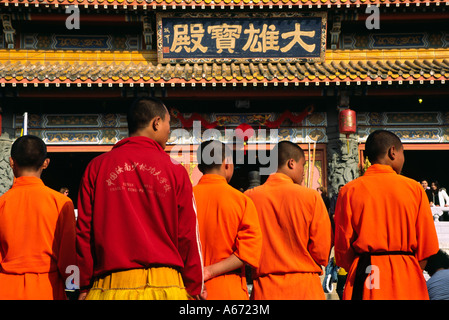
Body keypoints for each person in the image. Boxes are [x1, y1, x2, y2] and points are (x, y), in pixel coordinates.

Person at [76, 97, 204, 300]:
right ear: (156, 123)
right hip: (166, 286)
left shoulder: (97, 167)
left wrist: (83, 286)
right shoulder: (175, 170)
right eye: (168, 123)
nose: (169, 130)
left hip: (109, 286)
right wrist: (194, 286)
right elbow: (187, 235)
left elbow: (83, 231)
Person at [334, 130, 439, 300]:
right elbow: (427, 246)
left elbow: (342, 249)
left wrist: (359, 263)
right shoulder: (414, 189)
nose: (403, 159)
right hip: (406, 272)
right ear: (393, 152)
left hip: (367, 273)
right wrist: (406, 266)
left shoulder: (349, 191)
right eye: (403, 153)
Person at [244, 141, 332, 300]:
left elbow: (244, 249)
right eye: (303, 165)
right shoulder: (310, 197)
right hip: (306, 287)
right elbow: (322, 253)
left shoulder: (249, 198)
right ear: (291, 163)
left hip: (265, 288)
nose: (304, 172)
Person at [0, 135, 76, 299]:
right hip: (47, 288)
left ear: (11, 162)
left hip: (5, 289)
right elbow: (69, 257)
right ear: (45, 163)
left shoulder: (2, 204)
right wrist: (74, 289)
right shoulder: (62, 203)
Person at [193, 140, 262, 300]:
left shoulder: (184, 198)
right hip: (229, 290)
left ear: (200, 168)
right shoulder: (241, 201)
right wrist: (209, 271)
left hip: (190, 289)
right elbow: (248, 252)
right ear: (227, 164)